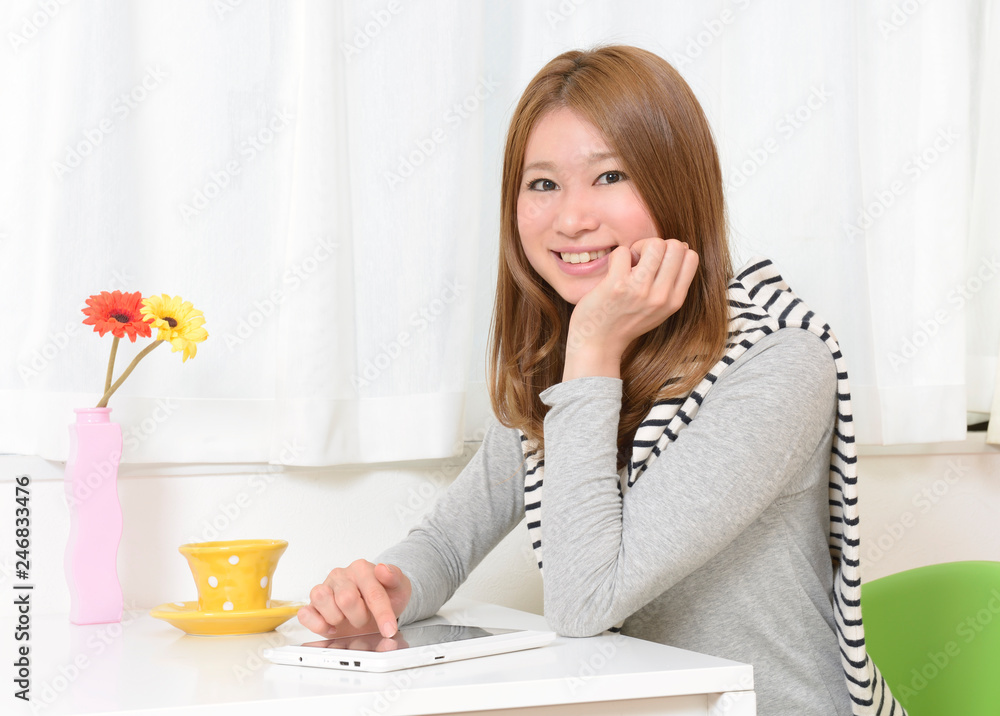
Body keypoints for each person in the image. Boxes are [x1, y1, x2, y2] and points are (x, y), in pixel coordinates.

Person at [298, 46, 900, 716]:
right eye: (542, 184)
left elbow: (585, 601)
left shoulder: (778, 362)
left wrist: (592, 348)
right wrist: (385, 590)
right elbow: (446, 543)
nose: (571, 218)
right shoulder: (562, 364)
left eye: (610, 176)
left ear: (676, 185)